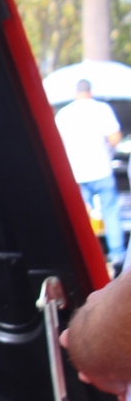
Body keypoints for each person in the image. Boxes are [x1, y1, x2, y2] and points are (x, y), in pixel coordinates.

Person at [55, 79, 125, 270]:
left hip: (76, 172)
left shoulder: (64, 114)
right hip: (101, 169)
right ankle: (117, 256)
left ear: (76, 92)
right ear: (90, 91)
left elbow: (56, 145)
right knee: (110, 212)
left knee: (80, 217)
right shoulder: (102, 109)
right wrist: (107, 148)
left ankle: (86, 258)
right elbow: (115, 137)